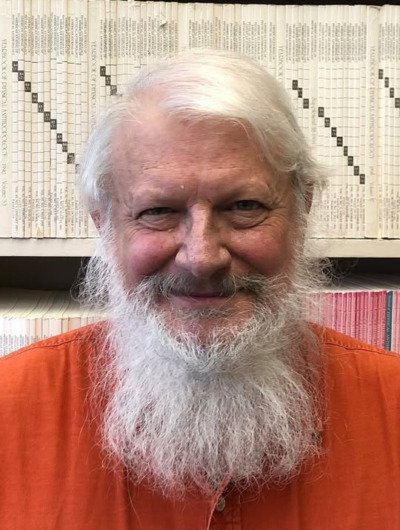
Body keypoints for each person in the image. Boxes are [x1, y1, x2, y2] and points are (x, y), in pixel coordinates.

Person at [1, 50, 400, 530]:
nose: (202, 257)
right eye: (158, 211)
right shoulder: (10, 408)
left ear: (301, 211)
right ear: (104, 225)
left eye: (244, 206)